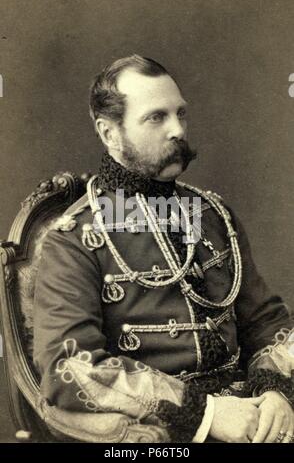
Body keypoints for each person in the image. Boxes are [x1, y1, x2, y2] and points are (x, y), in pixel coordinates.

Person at [33, 55, 294, 443]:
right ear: (109, 133)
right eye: (156, 117)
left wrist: (275, 392)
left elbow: (267, 323)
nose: (177, 130)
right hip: (167, 434)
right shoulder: (72, 238)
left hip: (255, 415)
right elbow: (71, 365)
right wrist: (205, 414)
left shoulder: (213, 215)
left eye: (181, 113)